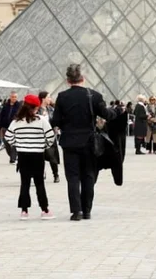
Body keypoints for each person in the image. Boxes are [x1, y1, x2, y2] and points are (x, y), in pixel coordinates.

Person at [50, 64, 116, 221]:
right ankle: (87, 210)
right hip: (89, 142)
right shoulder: (94, 95)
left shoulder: (62, 96)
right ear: (83, 78)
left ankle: (76, 211)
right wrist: (116, 112)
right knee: (88, 176)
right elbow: (107, 114)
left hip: (69, 143)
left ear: (68, 80)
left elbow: (56, 121)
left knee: (72, 177)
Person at [5, 94, 57, 221]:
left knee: (25, 183)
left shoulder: (16, 121)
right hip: (38, 155)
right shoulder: (41, 120)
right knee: (40, 183)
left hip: (23, 155)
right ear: (35, 108)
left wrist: (18, 144)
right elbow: (50, 137)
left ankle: (24, 211)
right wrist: (43, 145)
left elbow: (8, 137)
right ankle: (44, 210)